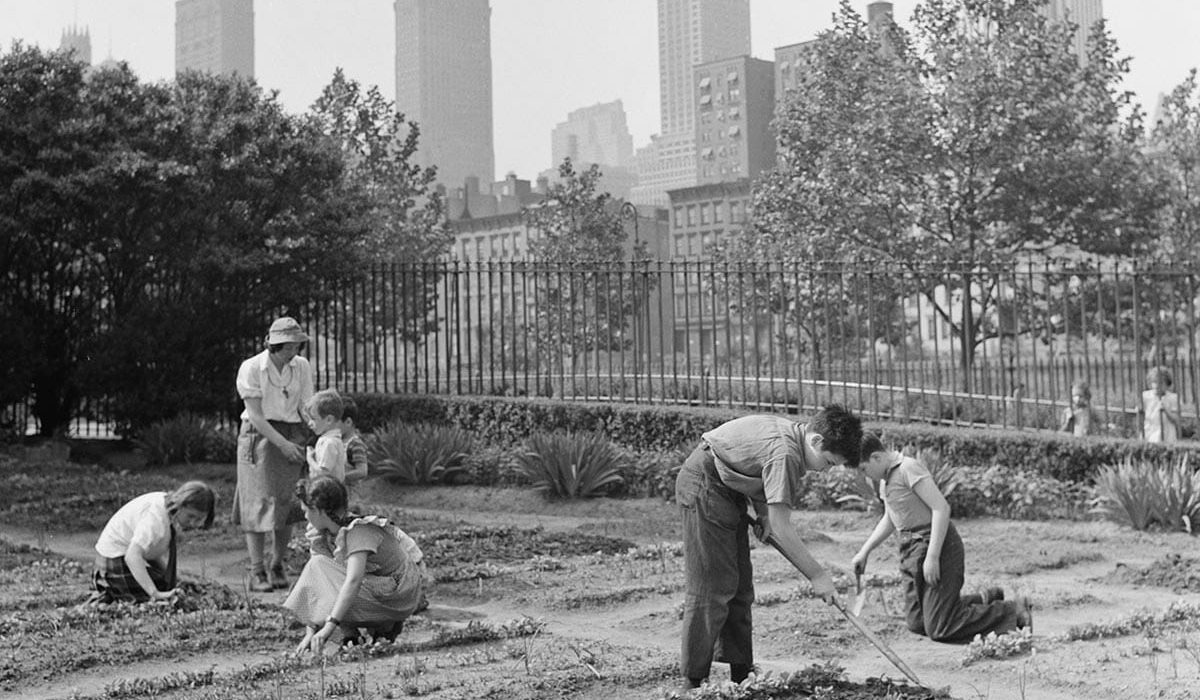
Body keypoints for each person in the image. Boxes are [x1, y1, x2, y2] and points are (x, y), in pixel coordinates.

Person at [675, 405, 863, 691]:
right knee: (712, 589)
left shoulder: (794, 438)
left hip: (729, 489)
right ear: (816, 441)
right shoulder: (786, 452)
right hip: (705, 486)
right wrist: (817, 575)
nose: (825, 471)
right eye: (828, 462)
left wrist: (763, 514)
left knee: (739, 588)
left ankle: (741, 674)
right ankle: (692, 681)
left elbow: (761, 477)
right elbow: (782, 527)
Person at [852, 433, 1031, 643]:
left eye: (864, 469)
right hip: (910, 548)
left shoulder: (907, 468)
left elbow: (941, 508)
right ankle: (983, 598)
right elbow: (890, 519)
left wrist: (933, 556)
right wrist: (865, 551)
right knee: (917, 623)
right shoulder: (886, 482)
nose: (865, 474)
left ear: (876, 457)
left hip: (938, 544)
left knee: (940, 628)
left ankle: (1013, 611)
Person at [284, 476, 425, 654]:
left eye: (306, 511)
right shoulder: (326, 534)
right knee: (318, 572)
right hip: (378, 588)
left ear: (318, 510)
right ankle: (351, 636)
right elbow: (316, 585)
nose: (305, 516)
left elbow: (353, 581)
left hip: (396, 595)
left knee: (320, 568)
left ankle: (385, 625)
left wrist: (328, 628)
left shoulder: (359, 531)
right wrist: (311, 631)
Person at [234, 316, 315, 593]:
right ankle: (257, 569)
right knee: (257, 502)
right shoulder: (252, 367)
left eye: (296, 346)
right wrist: (282, 443)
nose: (293, 351)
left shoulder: (301, 367)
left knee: (286, 503)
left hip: (293, 433)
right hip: (262, 437)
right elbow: (255, 416)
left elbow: (306, 405)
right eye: (288, 346)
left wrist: (319, 431)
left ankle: (278, 563)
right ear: (274, 344)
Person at [90, 481, 216, 604]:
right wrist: (155, 593)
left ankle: (114, 592)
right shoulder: (156, 520)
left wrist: (174, 577)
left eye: (199, 519)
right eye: (191, 516)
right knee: (169, 593)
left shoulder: (168, 511)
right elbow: (132, 556)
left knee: (170, 585)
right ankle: (110, 592)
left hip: (118, 560)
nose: (194, 523)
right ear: (180, 504)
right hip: (111, 566)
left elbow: (149, 552)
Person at [306, 388, 347, 484]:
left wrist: (310, 459)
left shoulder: (329, 442)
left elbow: (323, 473)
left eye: (313, 419)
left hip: (327, 493)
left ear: (329, 420)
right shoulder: (331, 440)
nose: (309, 423)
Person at [341, 396, 370, 503]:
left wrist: (341, 477)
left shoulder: (355, 444)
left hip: (350, 496)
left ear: (348, 422)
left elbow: (362, 471)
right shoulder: (335, 442)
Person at [1142, 366, 1181, 443]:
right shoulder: (1145, 396)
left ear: (1167, 384)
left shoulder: (1173, 398)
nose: (1157, 385)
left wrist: (1166, 410)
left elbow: (1176, 419)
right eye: (1154, 382)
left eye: (1161, 382)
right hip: (1150, 431)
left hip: (1168, 433)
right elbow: (1140, 415)